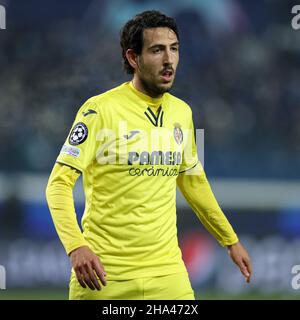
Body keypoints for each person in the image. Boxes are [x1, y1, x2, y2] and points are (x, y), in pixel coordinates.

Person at [46, 10, 252, 300]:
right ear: (133, 58)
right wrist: (75, 246)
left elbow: (194, 182)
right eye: (157, 50)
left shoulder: (182, 112)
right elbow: (58, 184)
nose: (169, 60)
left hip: (168, 274)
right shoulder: (98, 111)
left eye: (174, 49)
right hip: (104, 276)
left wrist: (230, 241)